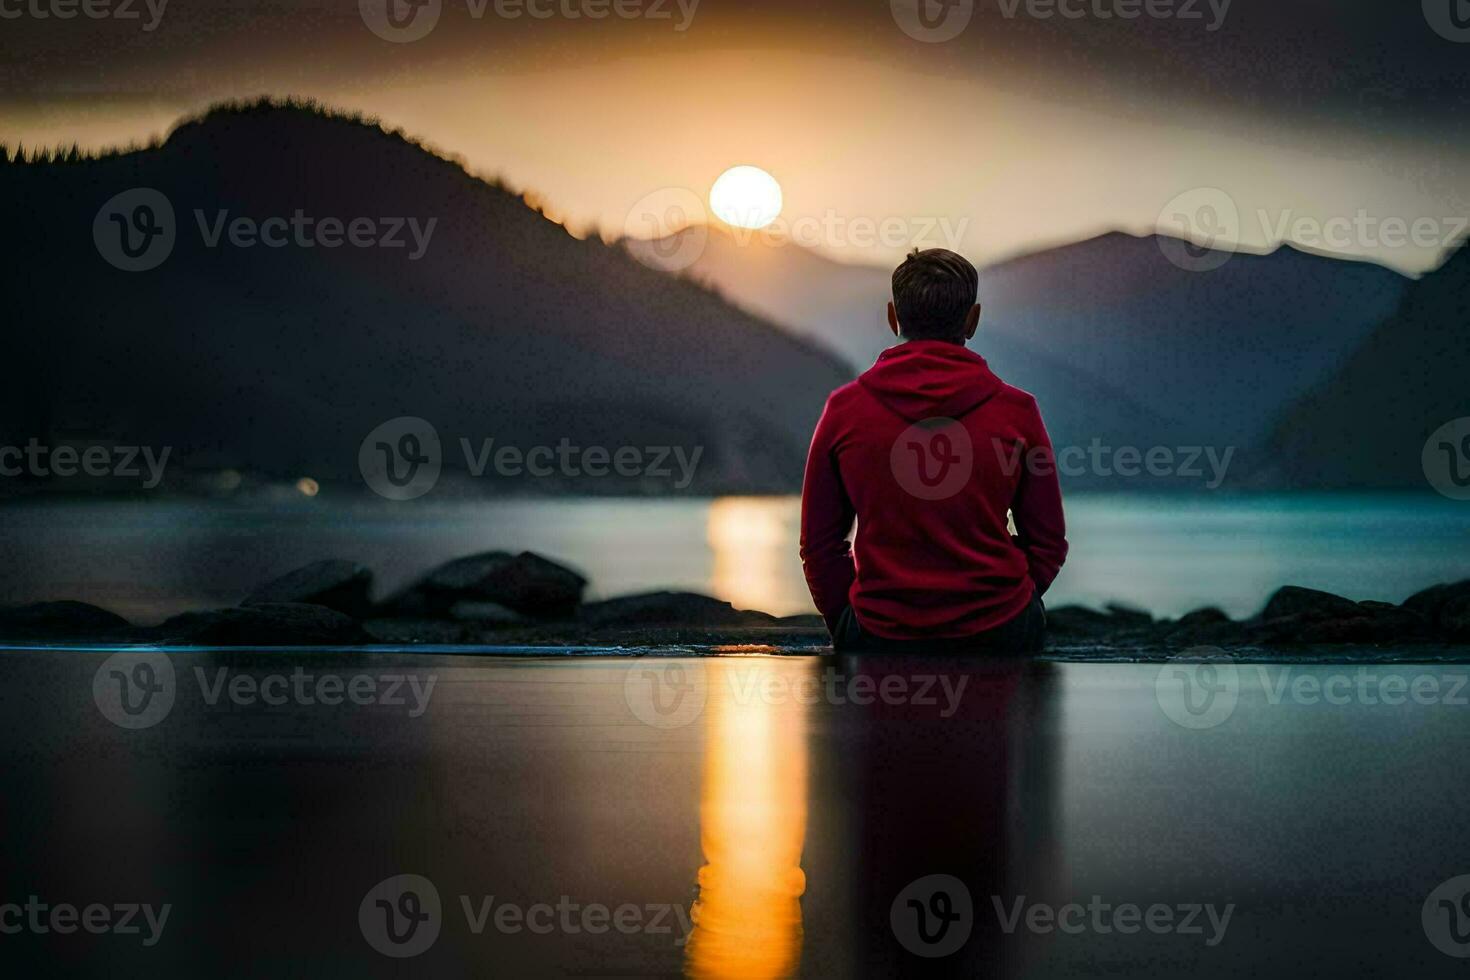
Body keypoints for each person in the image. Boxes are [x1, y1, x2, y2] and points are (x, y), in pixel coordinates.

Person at [799, 247, 1068, 653]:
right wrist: (1009, 602)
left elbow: (819, 546)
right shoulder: (1018, 412)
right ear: (972, 320)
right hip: (1001, 630)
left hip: (879, 632)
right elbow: (1048, 542)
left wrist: (847, 622)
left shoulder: (844, 410)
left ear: (893, 317)